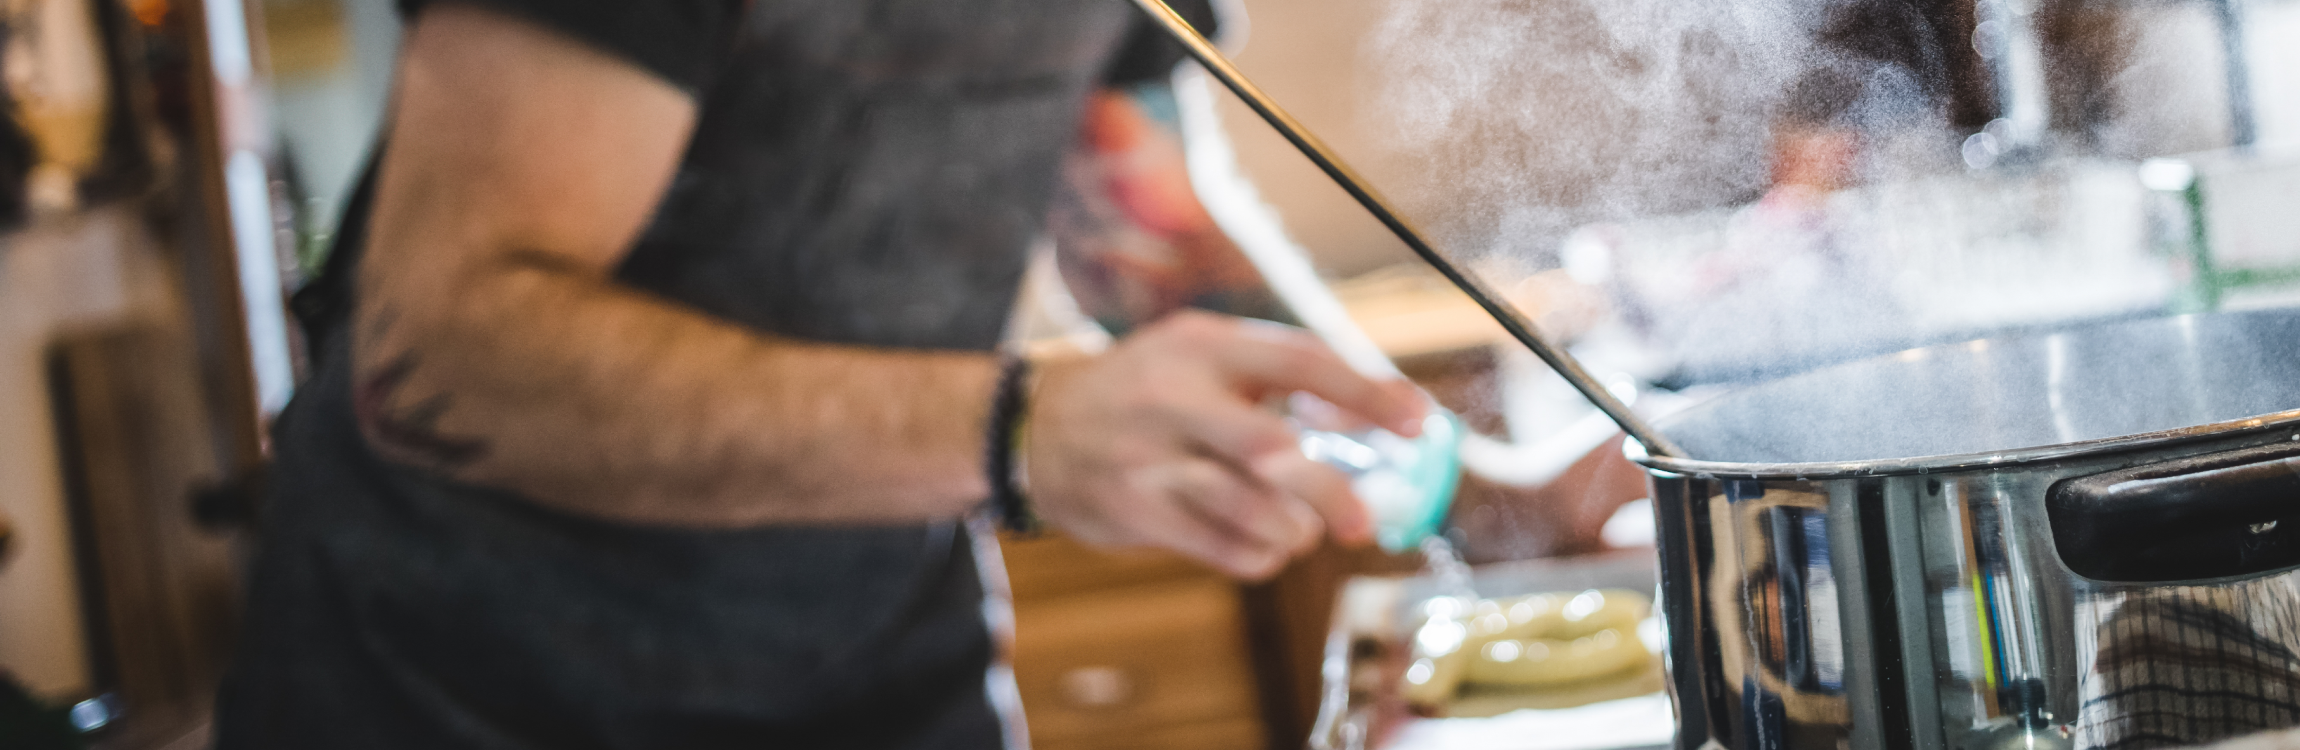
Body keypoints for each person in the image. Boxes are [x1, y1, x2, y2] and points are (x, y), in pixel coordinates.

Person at [213, 0, 1427, 747]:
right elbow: (443, 360)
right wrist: (1012, 430)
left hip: (871, 645)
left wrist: (1446, 468)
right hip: (466, 683)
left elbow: (1142, 219)